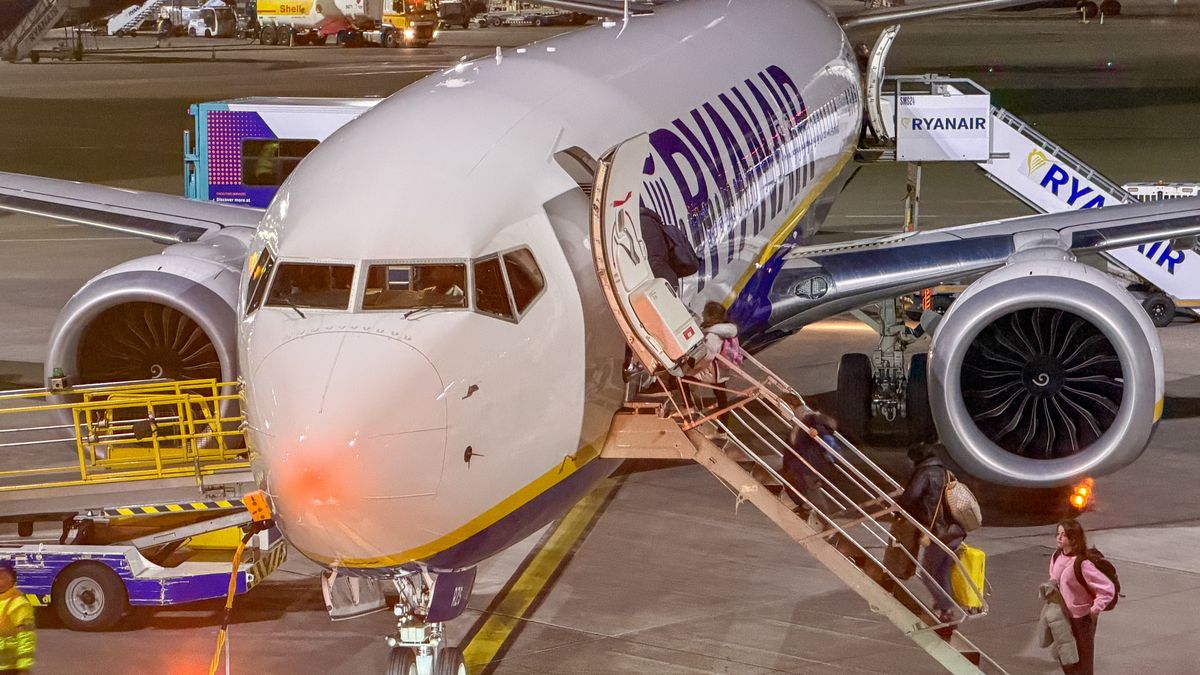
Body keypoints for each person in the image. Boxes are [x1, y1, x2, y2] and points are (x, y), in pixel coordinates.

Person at [896, 443, 965, 624]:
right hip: (956, 530)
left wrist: (896, 508)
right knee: (941, 570)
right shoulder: (946, 472)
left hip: (938, 532)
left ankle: (946, 608)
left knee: (927, 572)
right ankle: (945, 602)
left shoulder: (924, 473)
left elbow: (910, 497)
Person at [1050, 519, 1114, 675]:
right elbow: (1053, 577)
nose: (1059, 538)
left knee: (1083, 663)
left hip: (1081, 619)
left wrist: (1094, 609)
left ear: (1073, 539)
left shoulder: (1082, 564)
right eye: (1058, 534)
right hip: (1062, 616)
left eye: (1063, 535)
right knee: (1066, 658)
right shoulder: (1056, 556)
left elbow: (1107, 589)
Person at [782, 410, 839, 517]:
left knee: (812, 489)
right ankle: (805, 506)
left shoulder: (809, 417)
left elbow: (824, 429)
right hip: (798, 463)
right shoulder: (798, 421)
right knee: (794, 484)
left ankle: (825, 517)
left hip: (809, 462)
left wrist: (816, 431)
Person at [0, 559, 35, 674]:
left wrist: (23, 667)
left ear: (12, 579)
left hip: (9, 668)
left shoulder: (19, 604)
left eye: (2, 578)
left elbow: (26, 637)